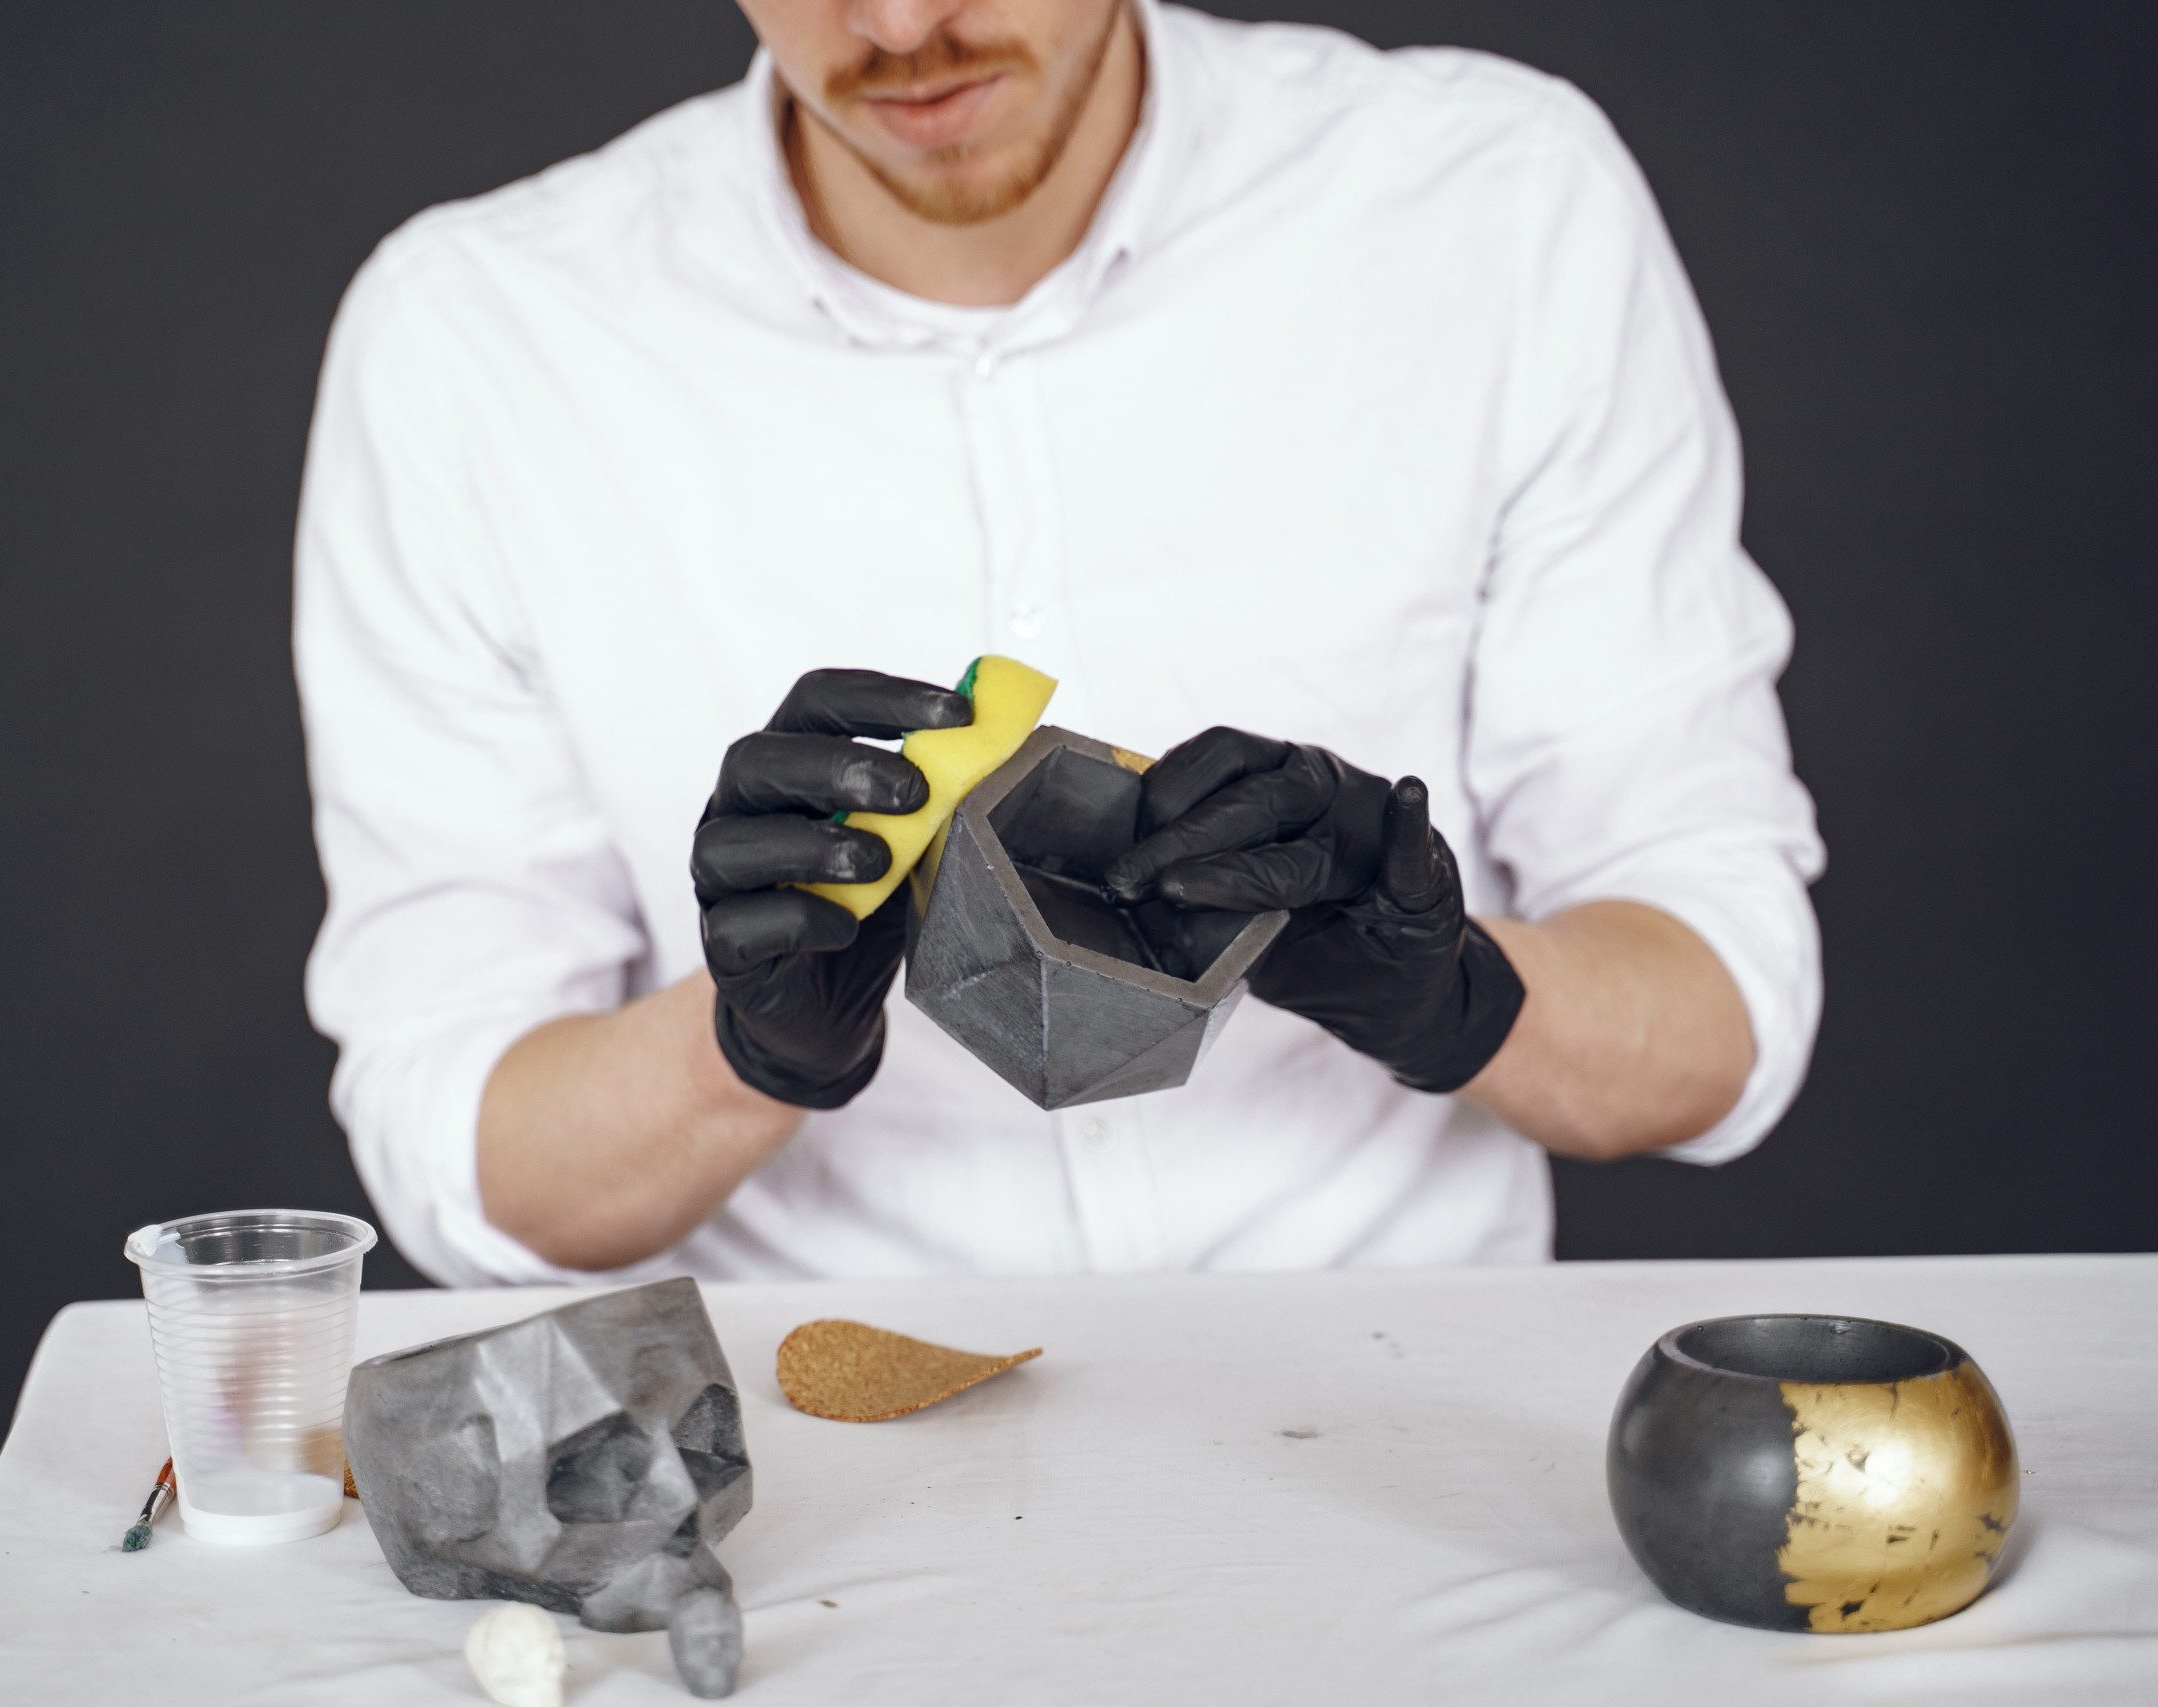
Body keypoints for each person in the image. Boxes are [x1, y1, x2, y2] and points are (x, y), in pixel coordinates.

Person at [293, 0, 1824, 1286]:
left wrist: (1443, 981)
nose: (897, 26)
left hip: (1395, 1436)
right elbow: (457, 1149)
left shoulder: (1495, 201)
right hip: (825, 1487)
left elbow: (1725, 1014)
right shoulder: (476, 340)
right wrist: (747, 1046)